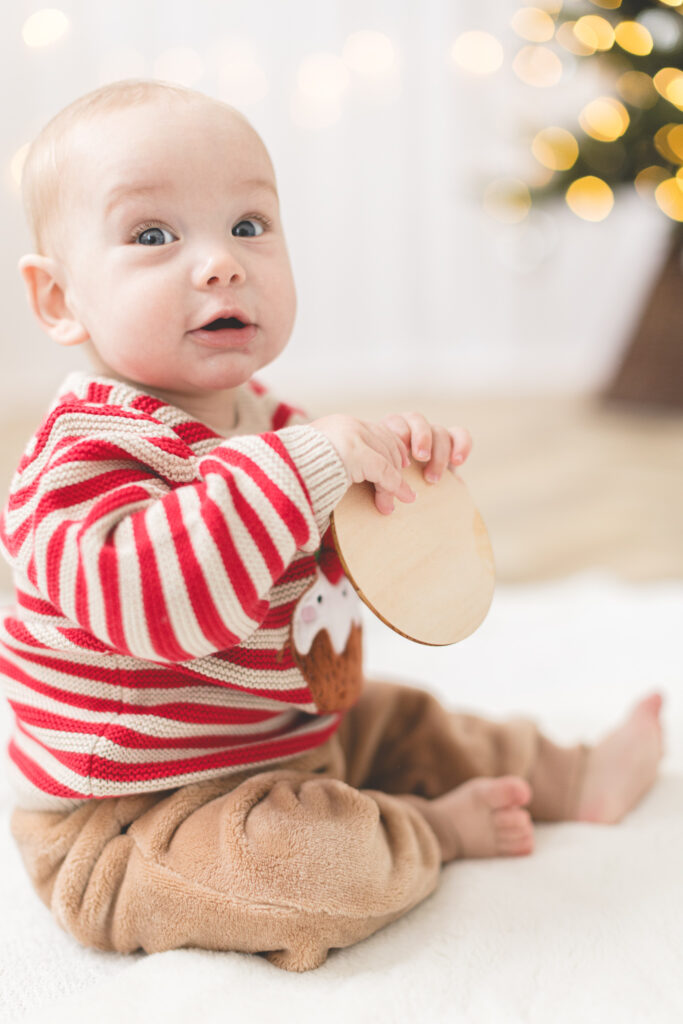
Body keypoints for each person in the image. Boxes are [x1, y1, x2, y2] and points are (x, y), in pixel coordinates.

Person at [0, 79, 663, 972]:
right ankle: (426, 832)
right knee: (306, 865)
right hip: (136, 815)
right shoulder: (82, 459)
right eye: (154, 236)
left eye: (248, 226)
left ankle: (568, 773)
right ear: (57, 300)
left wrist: (391, 479)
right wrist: (314, 465)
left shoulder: (272, 423)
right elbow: (157, 604)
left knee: (409, 722)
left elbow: (310, 564)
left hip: (287, 732)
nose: (220, 263)